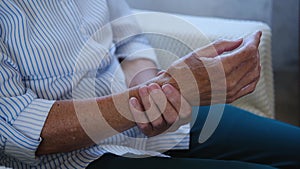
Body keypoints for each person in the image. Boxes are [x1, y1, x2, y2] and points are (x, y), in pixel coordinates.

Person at [0, 0, 299, 169]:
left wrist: (156, 94)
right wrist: (163, 91)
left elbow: (129, 40)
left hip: (145, 117)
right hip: (72, 159)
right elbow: (17, 128)